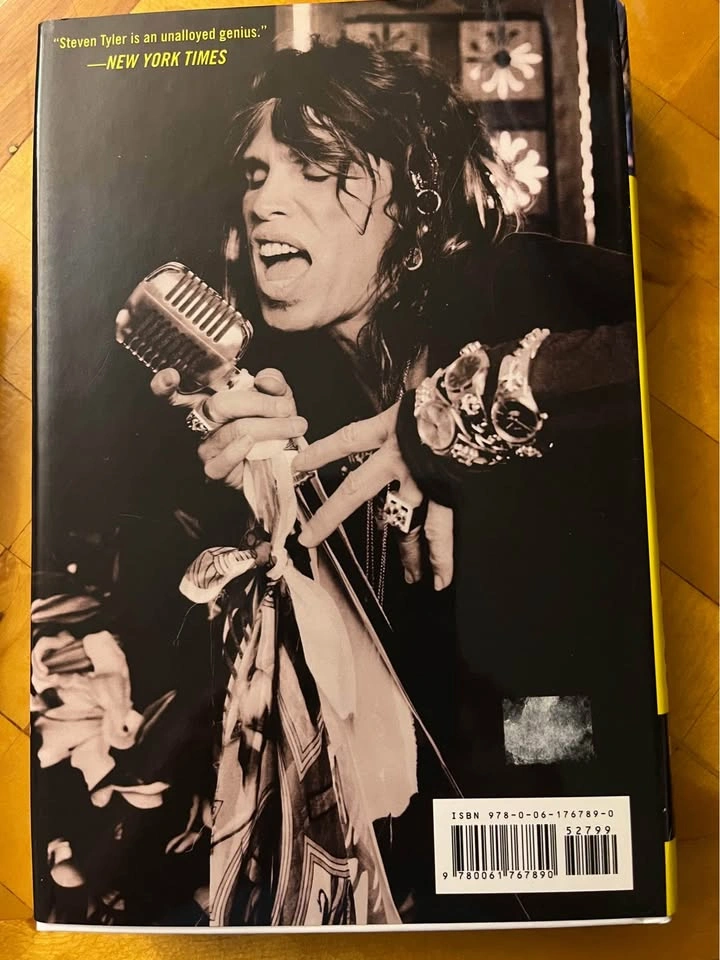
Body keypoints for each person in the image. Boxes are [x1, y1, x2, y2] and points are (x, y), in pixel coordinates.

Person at [33, 39, 652, 927]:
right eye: (255, 174)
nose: (263, 200)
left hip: (583, 775)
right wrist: (264, 496)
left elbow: (678, 351)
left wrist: (449, 416)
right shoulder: (294, 390)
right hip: (433, 849)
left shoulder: (522, 283)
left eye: (313, 165)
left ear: (411, 189)